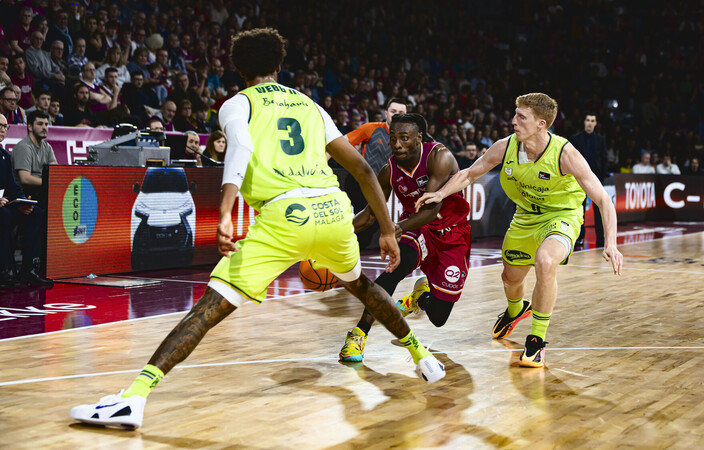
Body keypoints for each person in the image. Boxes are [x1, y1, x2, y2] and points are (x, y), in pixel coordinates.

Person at [70, 28, 444, 431]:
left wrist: (227, 210)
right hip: (333, 209)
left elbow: (241, 150)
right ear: (279, 67)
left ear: (239, 69)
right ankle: (422, 356)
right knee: (361, 286)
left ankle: (133, 399)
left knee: (209, 308)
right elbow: (364, 168)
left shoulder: (237, 104)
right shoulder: (309, 104)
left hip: (286, 214)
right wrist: (387, 229)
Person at [416, 93, 623, 368]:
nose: (513, 121)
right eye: (515, 114)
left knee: (545, 262)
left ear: (541, 123)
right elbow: (469, 173)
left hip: (561, 217)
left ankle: (536, 340)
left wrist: (611, 243)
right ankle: (516, 310)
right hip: (525, 217)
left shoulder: (565, 154)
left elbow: (603, 199)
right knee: (510, 278)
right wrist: (440, 194)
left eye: (521, 117)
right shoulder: (505, 147)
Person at [339, 113, 472, 362]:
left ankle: (421, 296)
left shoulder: (438, 157)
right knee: (394, 268)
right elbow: (368, 216)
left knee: (439, 318)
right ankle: (358, 334)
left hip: (451, 234)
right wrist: (337, 232)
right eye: (393, 139)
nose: (397, 144)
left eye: (404, 138)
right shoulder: (388, 170)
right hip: (415, 228)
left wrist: (395, 228)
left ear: (418, 138)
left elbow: (431, 209)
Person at [342, 97, 407, 247]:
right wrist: (321, 162)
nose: (396, 115)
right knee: (369, 218)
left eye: (401, 112)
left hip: (381, 187)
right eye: (393, 111)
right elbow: (341, 142)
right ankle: (342, 242)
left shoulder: (407, 138)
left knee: (374, 223)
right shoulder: (370, 128)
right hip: (359, 181)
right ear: (386, 113)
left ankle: (347, 243)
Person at [0, 113, 48, 286]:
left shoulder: (4, 156)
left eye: (5, 126)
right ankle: (3, 269)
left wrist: (22, 201)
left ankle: (28, 268)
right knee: (3, 214)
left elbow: (13, 187)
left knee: (35, 213)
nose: (2, 129)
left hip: (5, 203)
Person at [571, 113, 607, 248]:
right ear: (584, 122)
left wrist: (602, 176)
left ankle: (601, 238)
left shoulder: (601, 140)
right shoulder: (576, 139)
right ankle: (579, 237)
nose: (590, 123)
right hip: (579, 179)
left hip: (596, 179)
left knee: (599, 209)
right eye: (587, 120)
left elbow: (604, 158)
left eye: (592, 120)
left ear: (596, 123)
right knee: (579, 210)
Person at [11, 110, 57, 203]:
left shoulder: (47, 147)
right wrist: (49, 183)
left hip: (41, 191)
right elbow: (25, 178)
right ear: (30, 127)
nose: (44, 127)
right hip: (24, 194)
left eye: (46, 124)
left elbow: (55, 171)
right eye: (40, 124)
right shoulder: (23, 147)